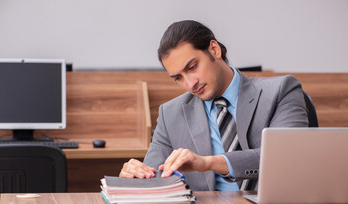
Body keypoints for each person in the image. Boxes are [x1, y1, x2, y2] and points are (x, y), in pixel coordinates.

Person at [119, 20, 309, 191]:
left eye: (192, 67)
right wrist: (136, 176)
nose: (190, 84)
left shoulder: (281, 90)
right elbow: (154, 179)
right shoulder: (170, 114)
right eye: (178, 78)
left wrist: (208, 163)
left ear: (214, 49)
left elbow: (287, 156)